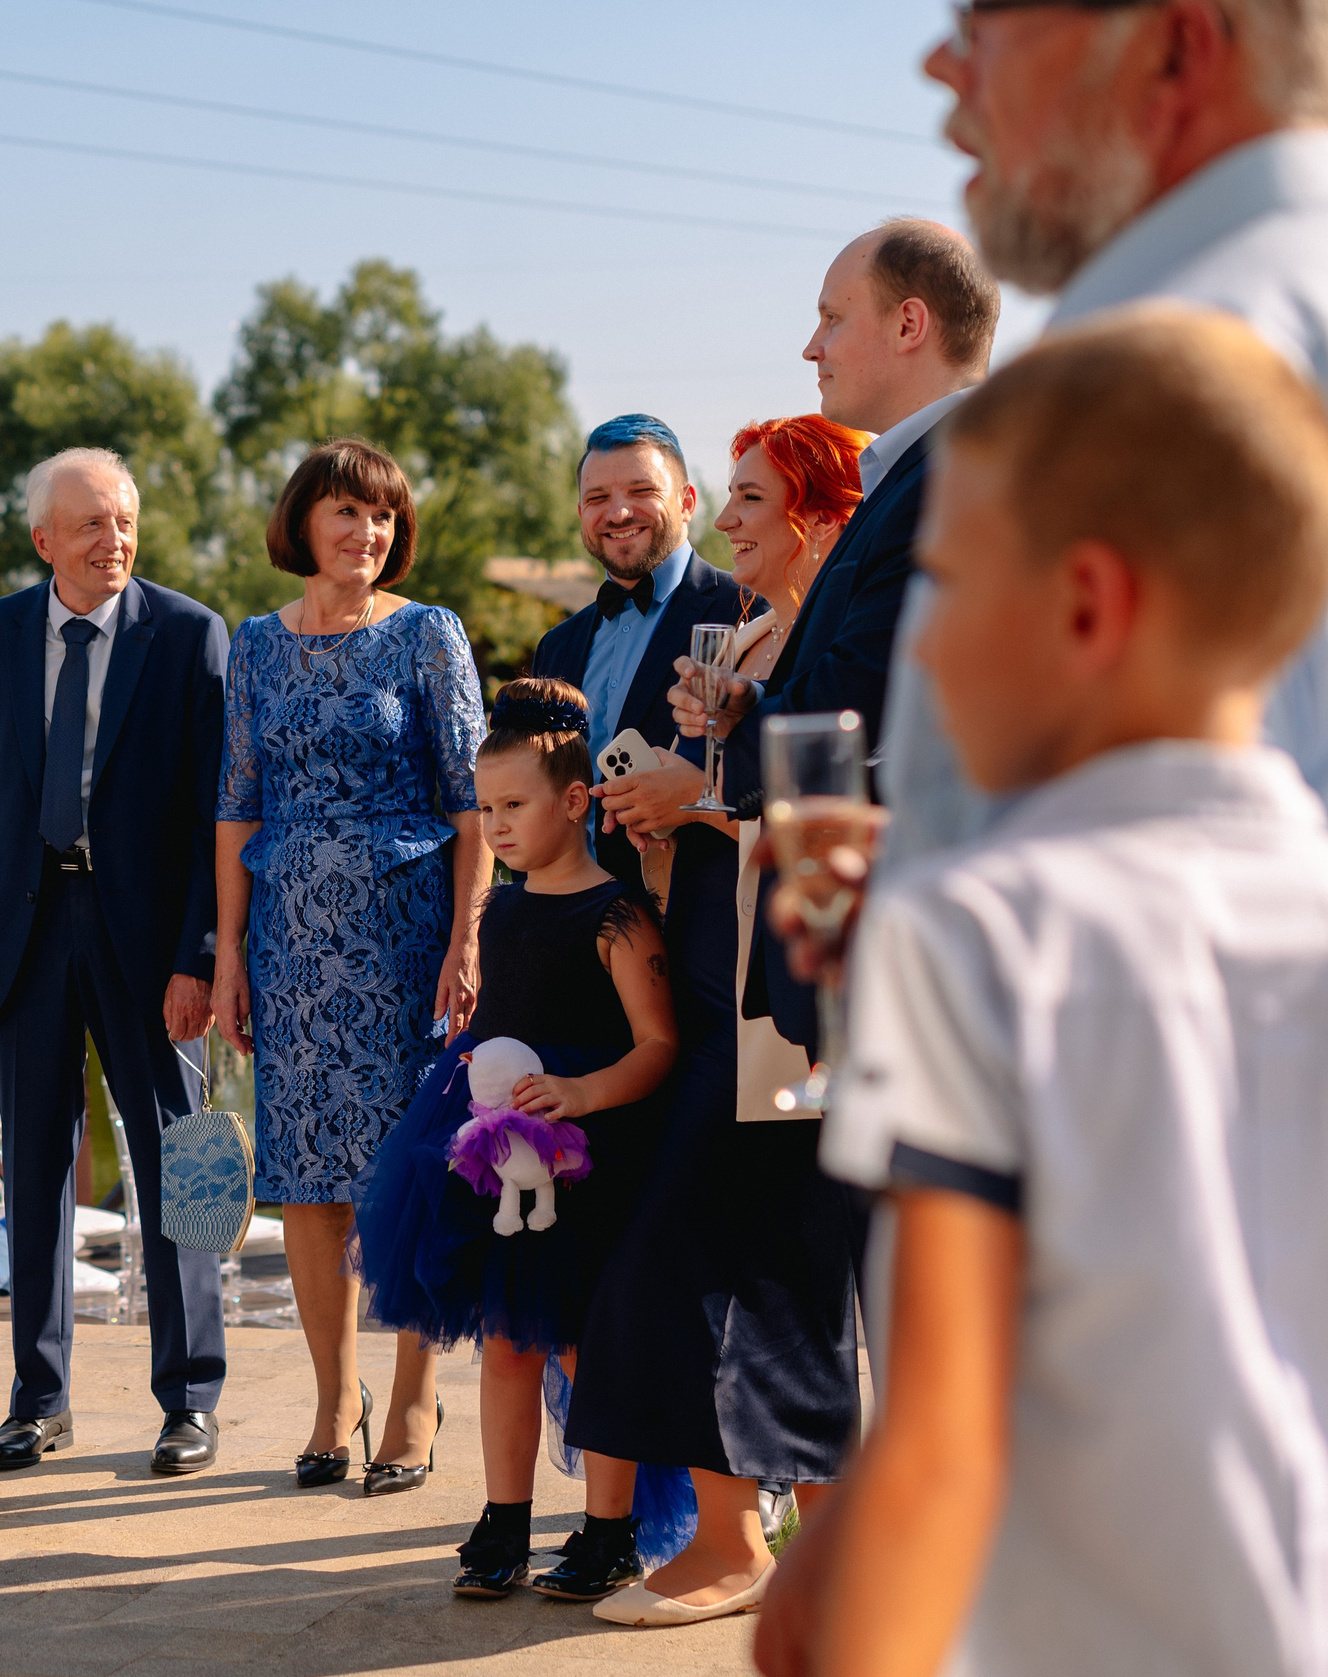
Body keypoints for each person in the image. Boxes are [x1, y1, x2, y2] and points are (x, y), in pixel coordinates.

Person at [767, 309, 1328, 1677]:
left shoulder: (976, 937)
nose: (920, 655)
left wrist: (840, 1599)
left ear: (1084, 605)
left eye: (947, 587)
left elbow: (940, 1434)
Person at [867, 0, 1328, 876]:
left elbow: (1135, 911)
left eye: (980, 24)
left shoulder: (1167, 374)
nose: (941, 65)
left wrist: (946, 918)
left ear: (1174, 50)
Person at [566, 417, 875, 1630]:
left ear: (820, 519)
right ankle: (763, 1539)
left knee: (723, 1263)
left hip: (788, 1008)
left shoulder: (840, 645)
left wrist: (697, 793)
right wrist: (663, 811)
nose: (731, 519)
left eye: (750, 498)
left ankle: (749, 1539)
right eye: (733, 496)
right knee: (733, 1267)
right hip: (702, 988)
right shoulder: (741, 638)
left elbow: (832, 817)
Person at [0, 446, 230, 1477]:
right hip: (24, 930)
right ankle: (38, 1398)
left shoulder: (190, 634)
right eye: (93, 523)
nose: (115, 539)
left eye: (126, 520)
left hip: (151, 939)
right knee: (36, 1171)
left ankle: (190, 1399)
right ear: (43, 539)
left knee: (184, 1159)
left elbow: (214, 815)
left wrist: (200, 954)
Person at [356, 678, 679, 1605]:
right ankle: (504, 1518)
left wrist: (580, 1092)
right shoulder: (499, 910)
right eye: (486, 807)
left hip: (588, 1157)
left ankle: (610, 1529)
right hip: (496, 1157)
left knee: (584, 1345)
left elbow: (658, 1043)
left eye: (514, 806)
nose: (494, 826)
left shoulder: (617, 914)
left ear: (575, 802)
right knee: (505, 1341)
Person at [209, 438, 488, 1493]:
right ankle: (336, 1398)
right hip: (289, 944)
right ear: (303, 522)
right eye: (345, 511)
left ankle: (415, 1395)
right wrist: (229, 956)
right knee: (306, 1177)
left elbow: (474, 803)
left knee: (412, 1169)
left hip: (407, 939)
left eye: (382, 516)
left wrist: (467, 938)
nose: (365, 532)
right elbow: (236, 806)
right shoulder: (255, 645)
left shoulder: (428, 634)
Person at [667, 221, 999, 1056]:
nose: (811, 347)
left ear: (909, 323)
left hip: (897, 955)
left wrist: (738, 728)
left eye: (832, 317)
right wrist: (744, 702)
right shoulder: (917, 474)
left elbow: (862, 705)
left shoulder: (950, 477)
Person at [533, 413, 752, 902]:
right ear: (581, 513)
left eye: (641, 491)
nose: (618, 513)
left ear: (687, 502)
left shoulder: (747, 613)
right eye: (597, 499)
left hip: (693, 920)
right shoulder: (557, 644)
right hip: (568, 918)